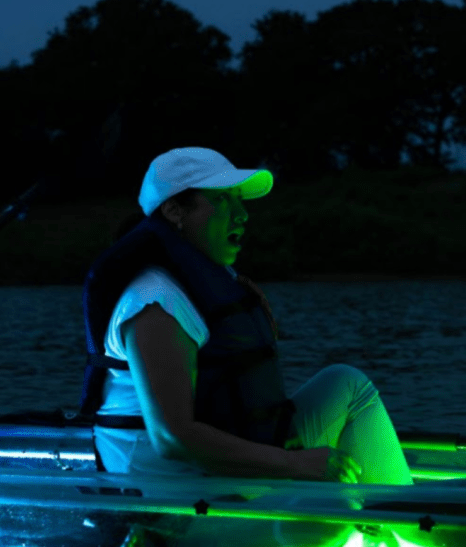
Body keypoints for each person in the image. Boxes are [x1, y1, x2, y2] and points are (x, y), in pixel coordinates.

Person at [82, 148, 411, 484]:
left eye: (238, 200)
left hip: (218, 468)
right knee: (340, 513)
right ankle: (405, 519)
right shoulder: (155, 301)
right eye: (223, 200)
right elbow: (172, 438)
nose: (241, 214)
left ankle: (400, 510)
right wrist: (294, 464)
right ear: (174, 210)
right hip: (172, 496)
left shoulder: (207, 281)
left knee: (346, 384)